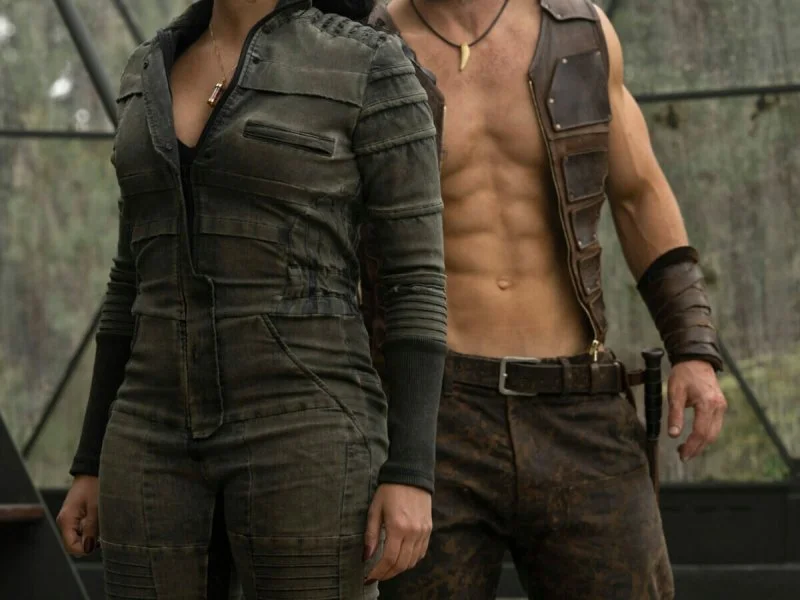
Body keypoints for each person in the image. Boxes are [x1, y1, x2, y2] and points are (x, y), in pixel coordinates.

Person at [55, 0, 449, 598]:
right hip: (146, 432)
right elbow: (129, 281)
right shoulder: (148, 68)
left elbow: (415, 281)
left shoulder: (368, 64)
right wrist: (90, 460)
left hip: (308, 427)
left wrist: (412, 471)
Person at [358, 0, 729, 598]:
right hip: (430, 414)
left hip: (578, 403)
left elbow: (637, 193)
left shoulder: (580, 33)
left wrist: (693, 348)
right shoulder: (364, 47)